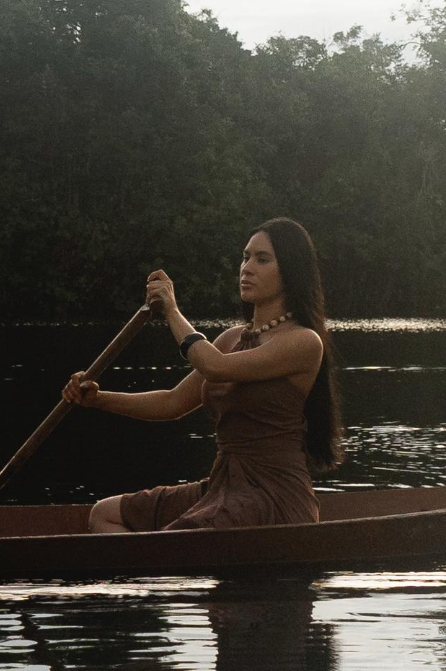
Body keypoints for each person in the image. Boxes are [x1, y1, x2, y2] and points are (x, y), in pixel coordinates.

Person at [63, 217, 342, 532]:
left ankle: (156, 568)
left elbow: (216, 367)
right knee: (104, 514)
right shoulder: (231, 338)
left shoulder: (304, 342)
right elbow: (171, 402)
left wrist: (172, 311)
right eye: (245, 257)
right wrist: (98, 399)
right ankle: (152, 573)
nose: (247, 267)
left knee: (176, 538)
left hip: (273, 494)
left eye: (262, 259)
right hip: (223, 485)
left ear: (291, 271)